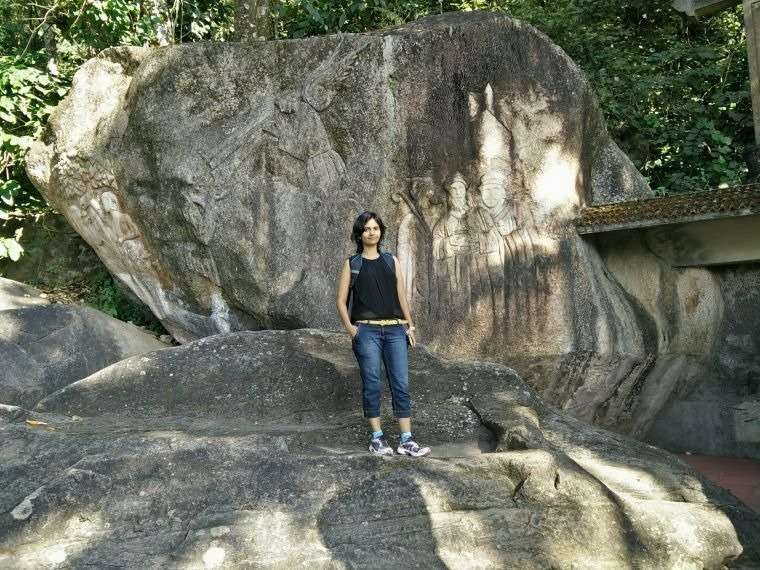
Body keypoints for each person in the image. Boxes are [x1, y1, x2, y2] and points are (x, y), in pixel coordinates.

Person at [335, 211, 431, 457]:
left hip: (395, 329)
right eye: (366, 228)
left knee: (401, 383)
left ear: (381, 231)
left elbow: (401, 295)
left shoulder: (391, 261)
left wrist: (409, 325)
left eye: (375, 228)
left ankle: (406, 440)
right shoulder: (352, 264)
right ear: (360, 233)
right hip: (366, 331)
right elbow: (340, 301)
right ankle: (377, 438)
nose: (371, 232)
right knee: (373, 383)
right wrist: (351, 329)